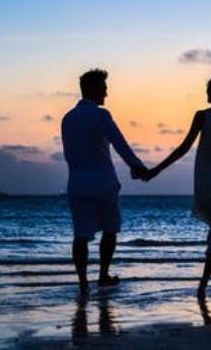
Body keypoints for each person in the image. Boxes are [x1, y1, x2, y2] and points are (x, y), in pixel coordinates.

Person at [143, 71, 211, 299]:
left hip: (206, 183)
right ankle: (202, 286)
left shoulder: (202, 116)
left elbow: (183, 149)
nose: (206, 92)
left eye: (209, 88)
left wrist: (155, 170)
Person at [61, 68, 148, 294]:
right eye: (103, 88)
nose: (106, 93)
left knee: (80, 235)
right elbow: (120, 144)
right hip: (102, 182)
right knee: (110, 230)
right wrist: (137, 167)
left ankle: (83, 282)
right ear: (91, 88)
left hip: (77, 184)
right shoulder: (101, 115)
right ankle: (103, 275)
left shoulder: (68, 118)